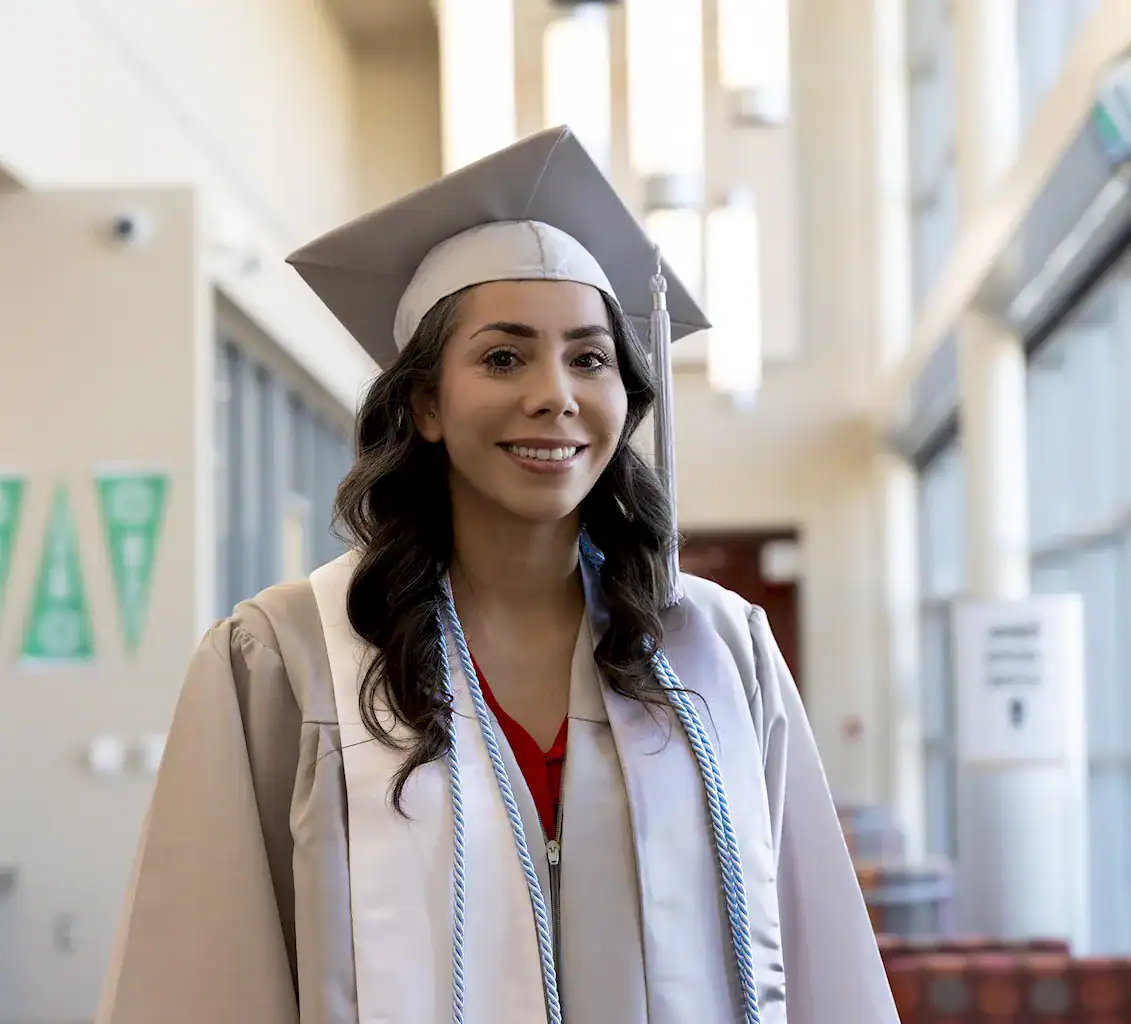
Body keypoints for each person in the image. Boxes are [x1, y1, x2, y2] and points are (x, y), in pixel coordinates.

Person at [95, 127, 898, 1024]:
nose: (554, 393)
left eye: (589, 358)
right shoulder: (284, 659)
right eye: (504, 357)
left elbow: (817, 953)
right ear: (425, 403)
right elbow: (206, 976)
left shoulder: (717, 652)